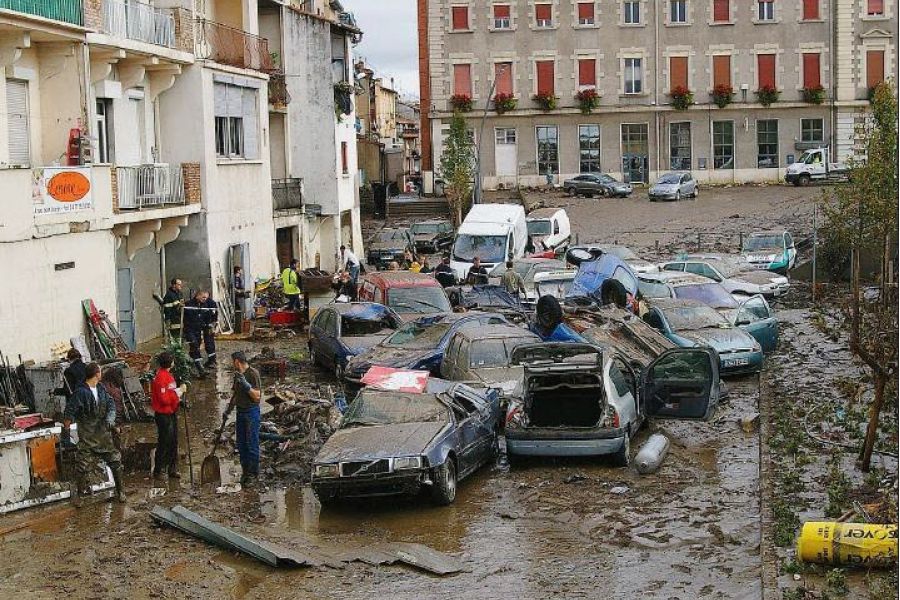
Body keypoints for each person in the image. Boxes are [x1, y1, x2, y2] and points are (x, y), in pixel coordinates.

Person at [63, 362, 125, 505]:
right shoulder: (80, 392)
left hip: (103, 434)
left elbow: (111, 405)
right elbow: (70, 410)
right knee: (82, 465)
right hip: (87, 435)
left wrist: (110, 418)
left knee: (115, 461)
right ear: (97, 374)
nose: (101, 374)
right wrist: (66, 428)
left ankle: (121, 491)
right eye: (100, 371)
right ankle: (80, 495)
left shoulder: (101, 389)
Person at [226, 352, 261, 486]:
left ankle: (253, 474)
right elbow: (235, 395)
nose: (232, 365)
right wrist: (228, 411)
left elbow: (257, 396)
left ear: (236, 362)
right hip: (240, 412)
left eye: (232, 362)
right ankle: (245, 472)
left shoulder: (253, 374)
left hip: (251, 412)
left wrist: (246, 385)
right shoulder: (237, 376)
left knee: (251, 443)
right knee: (241, 444)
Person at [150, 352, 185, 479]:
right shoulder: (160, 378)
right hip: (164, 415)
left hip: (171, 412)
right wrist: (179, 393)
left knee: (173, 441)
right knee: (164, 442)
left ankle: (172, 468)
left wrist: (178, 397)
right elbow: (164, 399)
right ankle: (159, 470)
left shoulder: (168, 376)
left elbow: (170, 393)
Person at [184, 290, 218, 375]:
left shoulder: (204, 305)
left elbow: (207, 316)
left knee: (197, 346)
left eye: (206, 298)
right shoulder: (189, 304)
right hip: (190, 329)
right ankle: (200, 369)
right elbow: (192, 317)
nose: (205, 299)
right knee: (194, 345)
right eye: (203, 297)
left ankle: (194, 361)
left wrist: (210, 325)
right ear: (197, 296)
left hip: (198, 330)